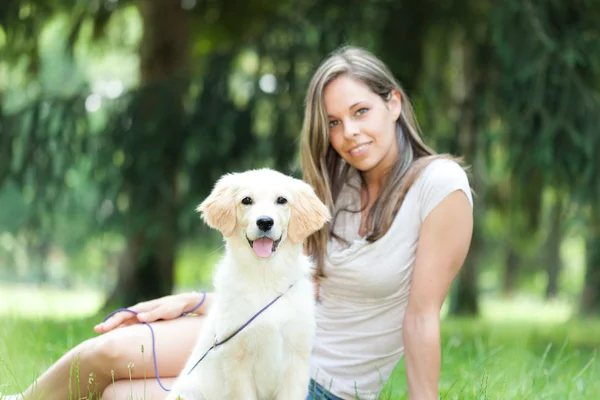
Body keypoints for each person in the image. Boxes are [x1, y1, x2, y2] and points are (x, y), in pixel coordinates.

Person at [4, 45, 473, 400]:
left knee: (120, 395)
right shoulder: (340, 188)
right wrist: (194, 302)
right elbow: (289, 284)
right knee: (105, 354)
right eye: (333, 122)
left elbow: (420, 317)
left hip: (315, 377)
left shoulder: (440, 185)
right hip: (256, 327)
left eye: (360, 112)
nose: (348, 133)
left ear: (394, 103)